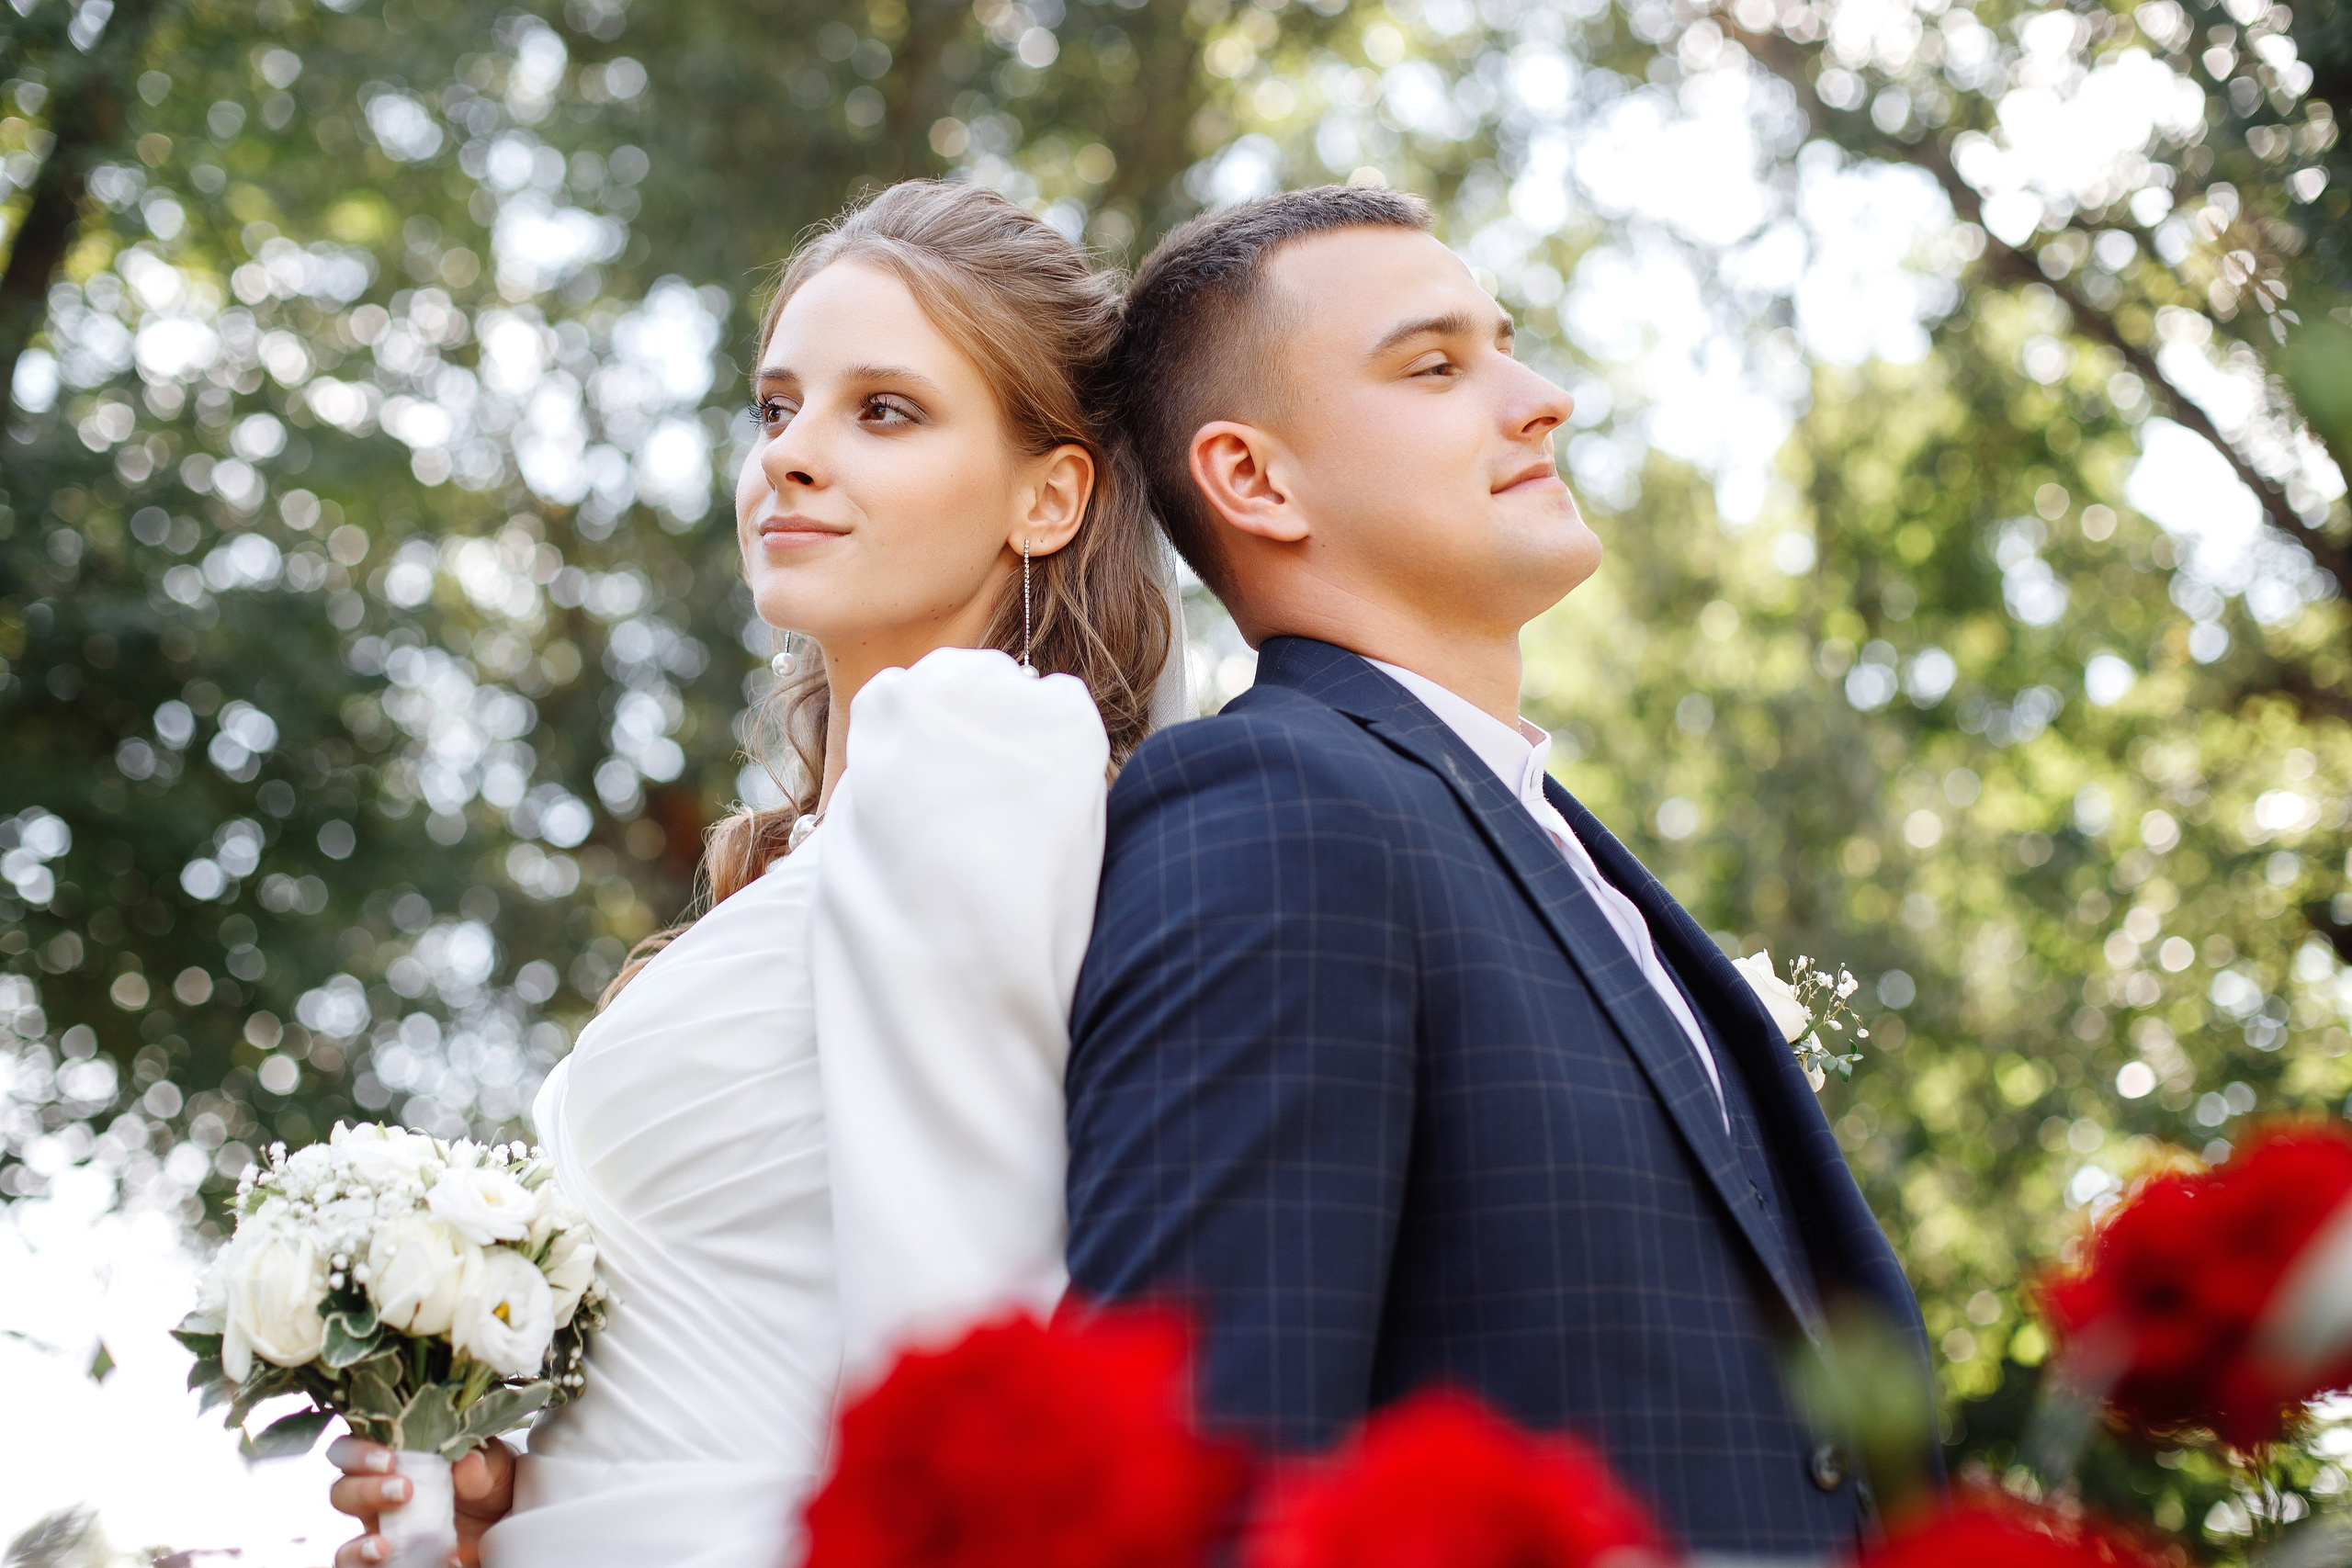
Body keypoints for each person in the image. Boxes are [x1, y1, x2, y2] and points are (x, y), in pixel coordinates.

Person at [1063, 186, 1936, 1558]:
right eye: (1435, 365)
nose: (1539, 399)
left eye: (1506, 345)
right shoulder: (1275, 813)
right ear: (1254, 479)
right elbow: (1200, 1486)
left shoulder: (1549, 842)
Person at [325, 179, 1182, 1568]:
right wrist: (498, 1498)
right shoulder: (805, 850)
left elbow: (958, 1329)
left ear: (1050, 493)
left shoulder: (973, 751)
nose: (791, 454)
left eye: (882, 411)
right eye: (776, 407)